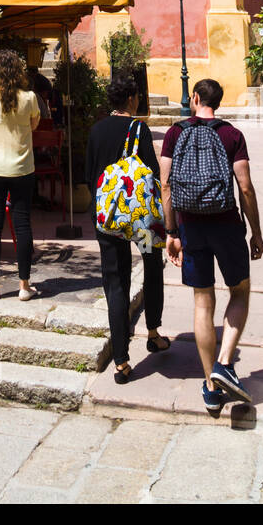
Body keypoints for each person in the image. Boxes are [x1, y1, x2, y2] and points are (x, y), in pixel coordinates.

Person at [160, 77, 263, 416]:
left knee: (202, 301)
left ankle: (210, 386)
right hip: (227, 225)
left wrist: (171, 232)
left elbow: (165, 186)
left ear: (194, 99)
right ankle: (223, 363)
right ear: (217, 102)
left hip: (190, 225)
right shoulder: (232, 135)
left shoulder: (176, 133)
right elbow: (245, 188)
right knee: (240, 292)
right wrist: (256, 233)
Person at [86, 77, 169, 385]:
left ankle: (121, 361)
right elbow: (153, 171)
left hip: (108, 217)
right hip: (141, 219)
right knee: (152, 265)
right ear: (132, 99)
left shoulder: (96, 130)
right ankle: (153, 332)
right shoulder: (139, 129)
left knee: (115, 281)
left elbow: (88, 173)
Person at [0, 50, 40, 300]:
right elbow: (34, 126)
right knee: (23, 224)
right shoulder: (30, 97)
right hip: (22, 168)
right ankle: (24, 286)